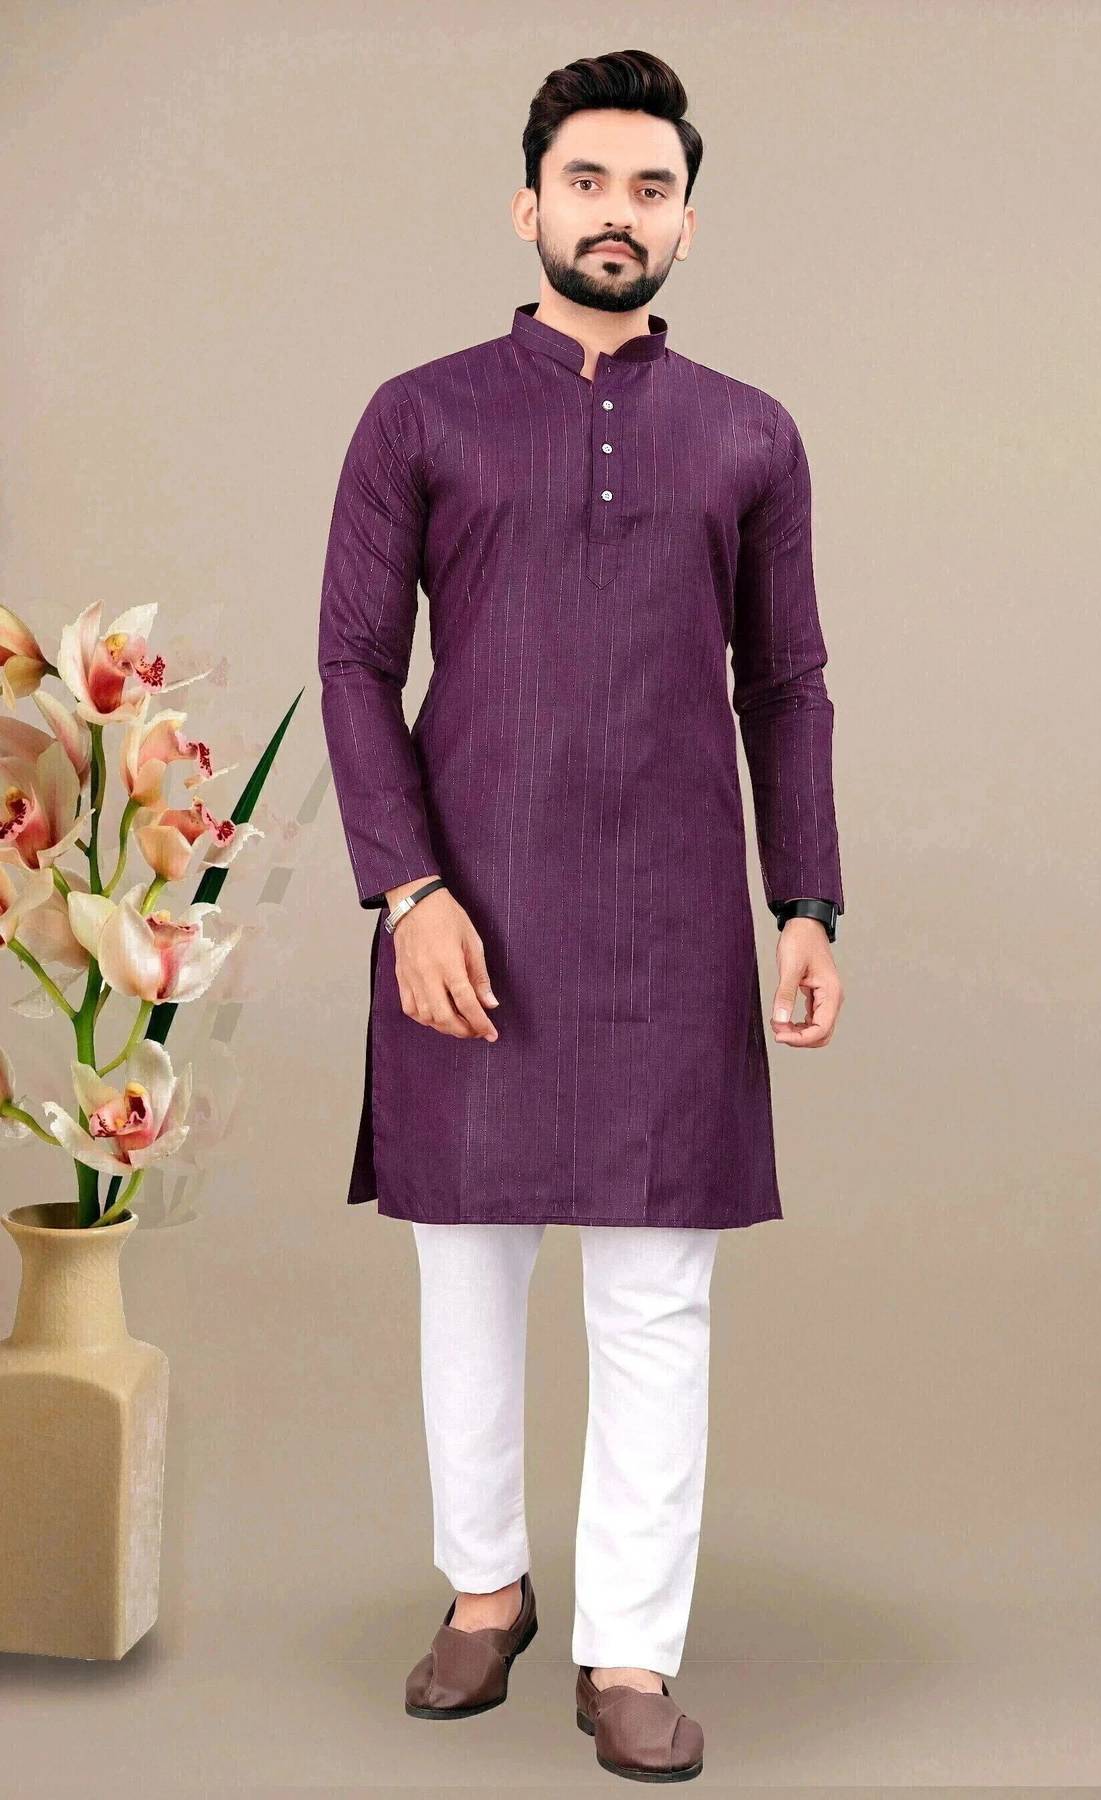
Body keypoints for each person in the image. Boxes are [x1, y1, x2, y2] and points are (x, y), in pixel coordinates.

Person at [317, 47, 845, 1785]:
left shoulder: (749, 433)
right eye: (589, 182)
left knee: (655, 1295)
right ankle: (487, 1593)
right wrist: (407, 892)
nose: (619, 214)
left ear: (687, 221)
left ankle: (631, 1651)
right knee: (466, 1274)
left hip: (672, 920)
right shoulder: (421, 414)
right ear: (527, 203)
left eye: (652, 189)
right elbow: (352, 662)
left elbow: (787, 681)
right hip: (464, 907)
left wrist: (804, 901)